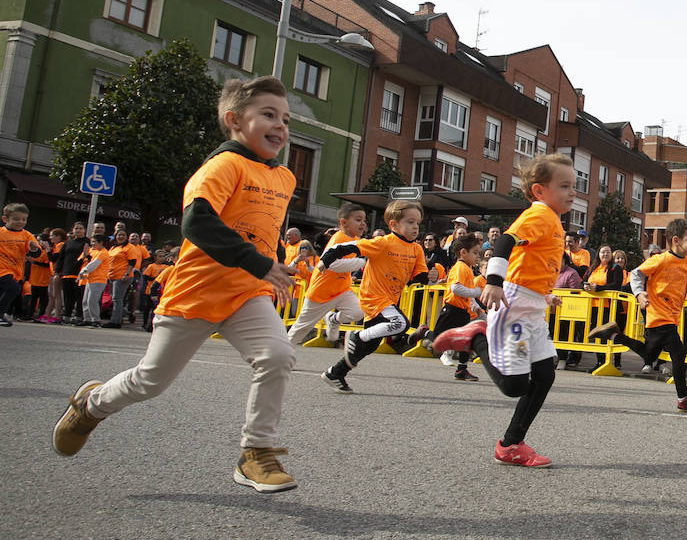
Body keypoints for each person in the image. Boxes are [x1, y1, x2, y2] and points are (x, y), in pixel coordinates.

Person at [52, 76, 300, 492]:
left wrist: (272, 266)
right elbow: (197, 222)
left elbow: (261, 227)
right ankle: (90, 405)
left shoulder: (285, 178)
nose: (280, 126)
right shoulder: (223, 166)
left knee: (277, 355)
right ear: (234, 120)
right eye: (269, 115)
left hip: (246, 292)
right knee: (150, 381)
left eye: (286, 119)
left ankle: (256, 453)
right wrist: (259, 262)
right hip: (195, 293)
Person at [434, 153, 577, 468]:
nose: (572, 192)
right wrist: (495, 282)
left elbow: (535, 263)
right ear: (539, 191)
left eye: (574, 186)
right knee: (515, 386)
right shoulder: (538, 214)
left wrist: (544, 296)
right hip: (512, 305)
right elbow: (504, 244)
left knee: (544, 375)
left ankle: (510, 445)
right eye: (564, 186)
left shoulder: (551, 219)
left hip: (532, 307)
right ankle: (476, 338)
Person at [590, 218, 687, 412]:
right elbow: (636, 274)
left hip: (671, 317)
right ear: (676, 240)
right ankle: (684, 398)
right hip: (657, 314)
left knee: (649, 354)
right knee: (678, 354)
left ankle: (613, 334)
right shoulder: (660, 259)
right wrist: (639, 294)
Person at [319, 200, 429, 394]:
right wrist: (326, 259)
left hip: (389, 300)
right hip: (373, 297)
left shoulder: (417, 249)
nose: (415, 227)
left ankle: (335, 373)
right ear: (393, 224)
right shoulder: (383, 242)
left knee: (369, 346)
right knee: (400, 323)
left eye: (417, 223)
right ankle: (356, 336)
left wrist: (428, 277)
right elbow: (349, 247)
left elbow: (419, 277)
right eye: (410, 222)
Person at [285, 202, 369, 347]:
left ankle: (333, 319)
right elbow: (331, 264)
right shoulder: (338, 239)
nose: (363, 224)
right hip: (321, 292)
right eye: (358, 220)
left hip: (341, 290)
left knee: (357, 312)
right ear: (343, 222)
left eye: (364, 220)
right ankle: (279, 355)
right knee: (301, 327)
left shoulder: (355, 240)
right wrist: (361, 262)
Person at [433, 233, 485, 382]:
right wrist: (475, 292)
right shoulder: (461, 267)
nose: (478, 257)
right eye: (475, 253)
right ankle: (424, 332)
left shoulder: (467, 268)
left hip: (462, 311)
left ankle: (462, 369)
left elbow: (465, 293)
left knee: (466, 340)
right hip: (452, 310)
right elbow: (456, 288)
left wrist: (473, 304)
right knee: (437, 338)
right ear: (463, 252)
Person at [0, 202, 40, 325]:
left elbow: (36, 254)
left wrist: (33, 249)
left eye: (24, 219)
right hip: (2, 268)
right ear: (5, 219)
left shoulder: (26, 235)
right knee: (13, 288)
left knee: (7, 291)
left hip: (15, 271)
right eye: (16, 219)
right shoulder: (1, 233)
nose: (20, 222)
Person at [79, 233, 112, 327]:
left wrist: (84, 271)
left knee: (92, 301)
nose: (92, 244)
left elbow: (94, 264)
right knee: (85, 301)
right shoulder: (93, 251)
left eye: (94, 242)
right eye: (91, 242)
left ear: (101, 243)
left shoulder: (103, 252)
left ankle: (96, 320)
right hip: (90, 279)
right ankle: (87, 319)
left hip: (99, 280)